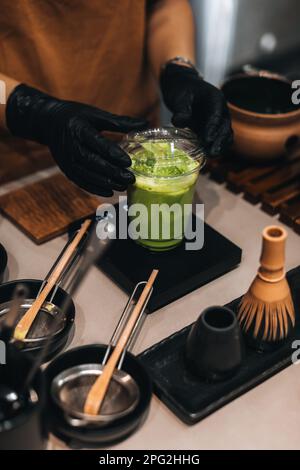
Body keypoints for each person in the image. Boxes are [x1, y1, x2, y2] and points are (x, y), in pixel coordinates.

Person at [0, 0, 233, 197]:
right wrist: (34, 111)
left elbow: (163, 4)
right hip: (24, 171)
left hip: (134, 153)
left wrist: (179, 70)